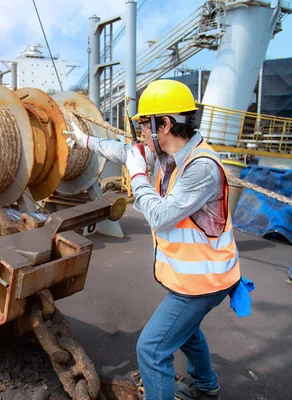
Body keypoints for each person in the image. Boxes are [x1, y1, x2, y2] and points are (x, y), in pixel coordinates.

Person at [65, 79, 252, 400]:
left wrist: (137, 175)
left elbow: (161, 217)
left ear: (164, 124)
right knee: (188, 333)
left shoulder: (201, 168)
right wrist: (83, 140)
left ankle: (198, 388)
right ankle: (207, 387)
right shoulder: (166, 154)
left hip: (204, 283)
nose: (139, 132)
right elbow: (123, 151)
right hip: (192, 277)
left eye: (142, 124)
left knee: (152, 350)